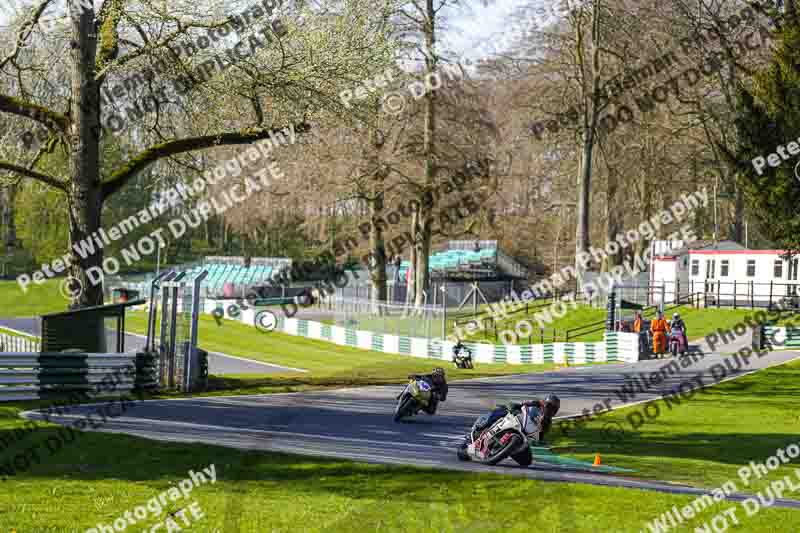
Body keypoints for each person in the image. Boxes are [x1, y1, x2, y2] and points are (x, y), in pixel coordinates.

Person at [475, 394, 561, 444]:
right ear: (545, 403)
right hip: (518, 419)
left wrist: (540, 441)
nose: (550, 409)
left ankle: (505, 450)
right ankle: (482, 426)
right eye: (549, 406)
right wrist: (518, 406)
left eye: (553, 408)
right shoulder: (537, 404)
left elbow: (541, 437)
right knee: (504, 410)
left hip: (525, 434)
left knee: (527, 458)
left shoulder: (548, 422)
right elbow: (525, 403)